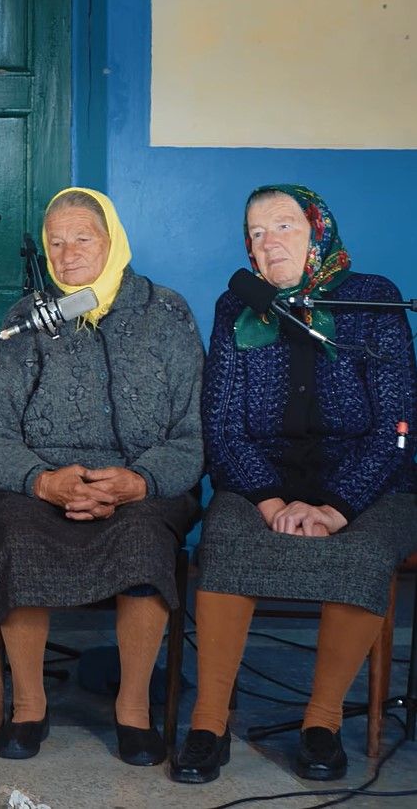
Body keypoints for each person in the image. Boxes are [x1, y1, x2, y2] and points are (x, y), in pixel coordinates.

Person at [173, 184, 415, 784]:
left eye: (282, 226)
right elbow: (221, 424)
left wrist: (337, 507)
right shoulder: (239, 308)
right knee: (225, 544)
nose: (267, 243)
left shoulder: (375, 302)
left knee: (362, 555)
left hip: (366, 482)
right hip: (262, 481)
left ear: (318, 232)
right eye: (255, 233)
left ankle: (323, 722)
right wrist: (271, 499)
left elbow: (397, 426)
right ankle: (207, 724)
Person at [0, 187, 204, 765]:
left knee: (146, 540)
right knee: (20, 538)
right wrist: (40, 481)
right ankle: (28, 706)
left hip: (143, 485)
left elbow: (195, 431)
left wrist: (140, 480)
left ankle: (133, 710)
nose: (68, 253)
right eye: (56, 242)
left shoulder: (165, 312)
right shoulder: (29, 320)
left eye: (83, 238)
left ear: (112, 240)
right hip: (43, 483)